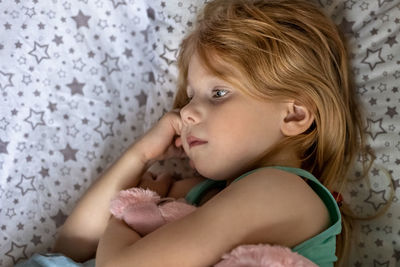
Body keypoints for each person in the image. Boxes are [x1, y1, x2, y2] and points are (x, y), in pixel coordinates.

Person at [18, 0, 366, 266]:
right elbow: (73, 246)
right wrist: (139, 156)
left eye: (218, 93)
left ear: (293, 114)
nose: (185, 112)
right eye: (189, 96)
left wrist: (129, 214)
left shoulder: (282, 191)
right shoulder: (198, 193)